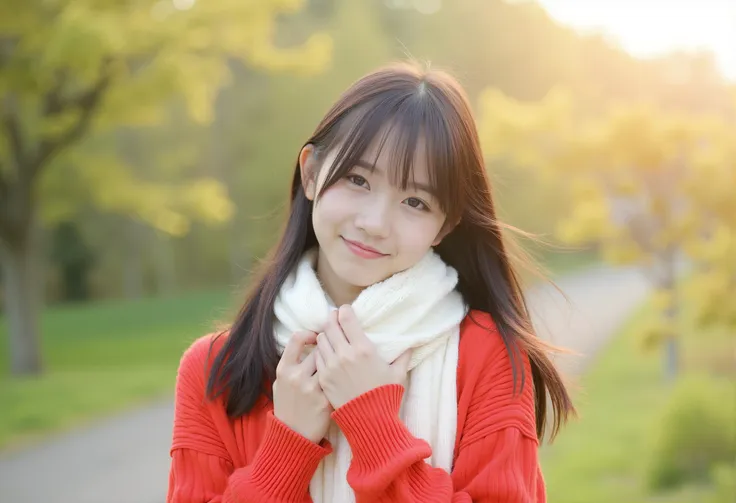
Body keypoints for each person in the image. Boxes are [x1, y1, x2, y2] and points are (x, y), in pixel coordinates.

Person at [167, 61, 575, 503]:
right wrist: (286, 448)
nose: (375, 223)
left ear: (444, 225)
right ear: (311, 173)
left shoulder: (487, 356)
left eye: (415, 201)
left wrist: (374, 426)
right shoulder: (213, 371)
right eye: (358, 179)